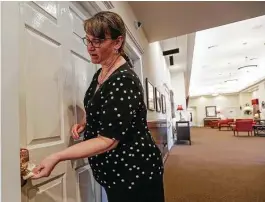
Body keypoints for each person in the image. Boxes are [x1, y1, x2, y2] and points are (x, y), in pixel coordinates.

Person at [32, 11, 165, 202]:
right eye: (88, 40)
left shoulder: (124, 80)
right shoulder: (102, 72)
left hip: (133, 172)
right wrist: (86, 122)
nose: (90, 48)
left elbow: (108, 140)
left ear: (117, 43)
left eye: (97, 42)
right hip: (114, 170)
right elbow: (101, 107)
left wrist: (57, 156)